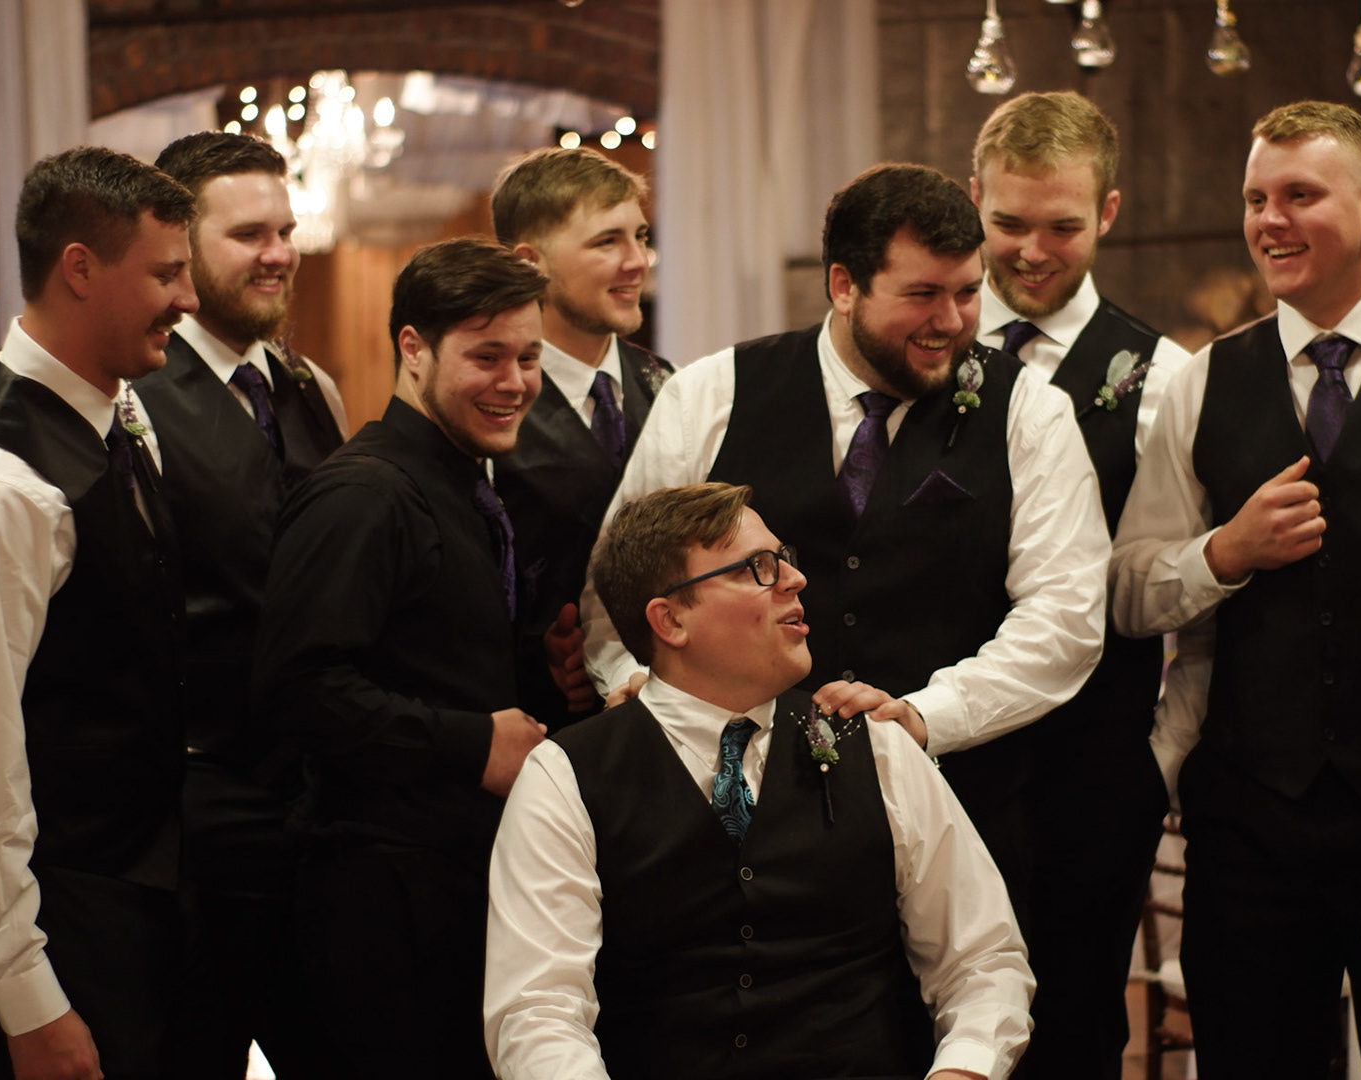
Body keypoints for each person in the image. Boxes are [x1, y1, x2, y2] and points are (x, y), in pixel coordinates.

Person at [580, 162, 1109, 936]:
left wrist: (925, 716)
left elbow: (1066, 615)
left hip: (963, 805)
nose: (952, 321)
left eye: (968, 292)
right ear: (843, 285)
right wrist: (636, 687)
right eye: (922, 295)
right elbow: (620, 586)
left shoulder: (1029, 410)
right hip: (735, 819)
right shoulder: (712, 393)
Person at [486, 482, 1034, 1080]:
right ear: (670, 620)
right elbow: (539, 1011)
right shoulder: (565, 775)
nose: (795, 580)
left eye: (784, 560)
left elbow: (983, 960)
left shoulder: (874, 744)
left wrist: (962, 1071)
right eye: (757, 568)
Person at [1107, 101, 1361, 1077]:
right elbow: (1128, 589)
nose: (1269, 221)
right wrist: (1224, 553)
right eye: (1256, 199)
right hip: (1249, 819)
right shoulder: (1203, 381)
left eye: (1300, 195)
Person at [0, 146, 198, 1080]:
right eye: (166, 274)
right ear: (80, 268)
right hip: (63, 916)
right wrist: (28, 998)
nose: (187, 299)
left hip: (128, 889)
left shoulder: (115, 410)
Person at [251, 237, 550, 1080]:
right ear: (413, 349)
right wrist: (472, 743)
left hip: (450, 888)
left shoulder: (464, 480)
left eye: (528, 358)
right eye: (486, 356)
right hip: (377, 906)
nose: (515, 381)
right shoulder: (364, 494)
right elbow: (295, 689)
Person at [968, 89, 1190, 1078]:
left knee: (1075, 1023)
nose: (1030, 251)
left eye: (1061, 227)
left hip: (1091, 764)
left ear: (1108, 212)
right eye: (1008, 222)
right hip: (939, 751)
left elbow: (1169, 581)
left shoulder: (1168, 376)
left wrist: (1158, 761)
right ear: (975, 201)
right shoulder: (921, 348)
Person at [132, 130, 347, 1079]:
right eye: (249, 233)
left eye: (286, 231)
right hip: (195, 809)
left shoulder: (308, 387)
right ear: (181, 246)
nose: (279, 254)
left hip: (312, 800)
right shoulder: (135, 398)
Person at [490, 146, 672, 725]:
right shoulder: (490, 400)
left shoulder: (668, 385)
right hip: (534, 721)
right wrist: (535, 648)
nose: (637, 261)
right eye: (607, 242)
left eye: (640, 236)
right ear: (529, 263)